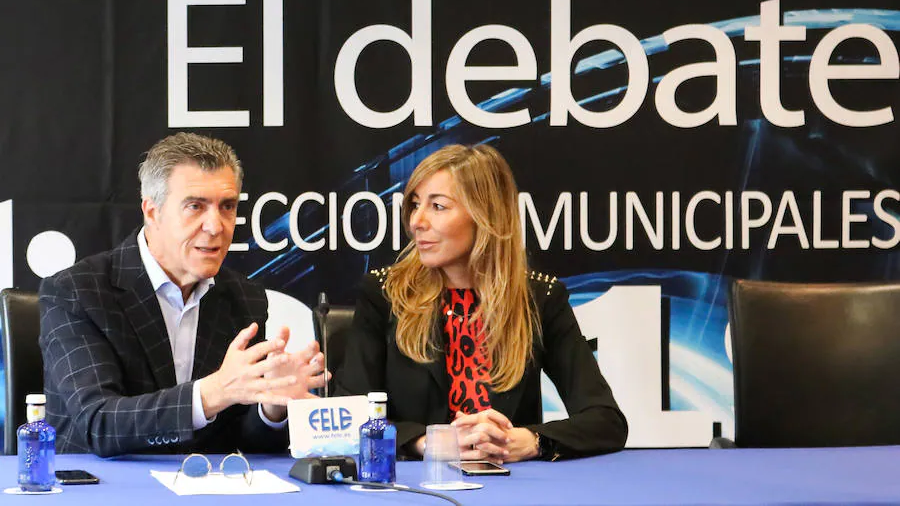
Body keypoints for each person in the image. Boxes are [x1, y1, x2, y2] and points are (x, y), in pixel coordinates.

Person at [39, 132, 326, 457]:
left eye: (227, 207)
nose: (216, 226)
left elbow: (239, 438)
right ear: (152, 212)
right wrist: (214, 392)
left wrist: (272, 405)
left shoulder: (245, 297)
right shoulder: (78, 292)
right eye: (195, 206)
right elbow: (98, 423)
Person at [335, 144, 627, 462]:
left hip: (515, 487)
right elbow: (350, 416)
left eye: (438, 207)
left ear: (484, 215)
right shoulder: (384, 294)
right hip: (419, 485)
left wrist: (533, 441)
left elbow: (606, 421)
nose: (416, 221)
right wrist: (425, 443)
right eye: (415, 205)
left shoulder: (539, 299)